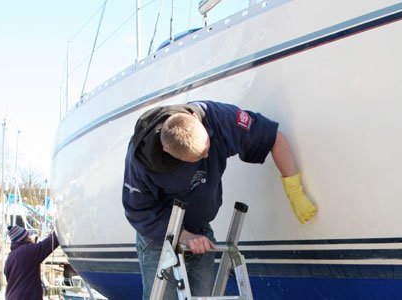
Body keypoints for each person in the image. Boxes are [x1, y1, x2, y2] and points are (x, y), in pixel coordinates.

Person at [122, 100, 317, 299]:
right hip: (160, 237)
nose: (208, 154)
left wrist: (295, 192)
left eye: (208, 147)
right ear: (171, 154)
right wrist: (183, 235)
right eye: (199, 157)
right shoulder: (140, 161)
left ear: (197, 121)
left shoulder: (219, 119)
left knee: (204, 295)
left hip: (200, 231)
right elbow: (138, 211)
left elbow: (272, 136)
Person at [4, 225, 60, 300]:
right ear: (24, 238)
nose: (29, 237)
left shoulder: (10, 257)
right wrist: (59, 231)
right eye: (27, 235)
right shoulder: (27, 251)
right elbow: (48, 244)